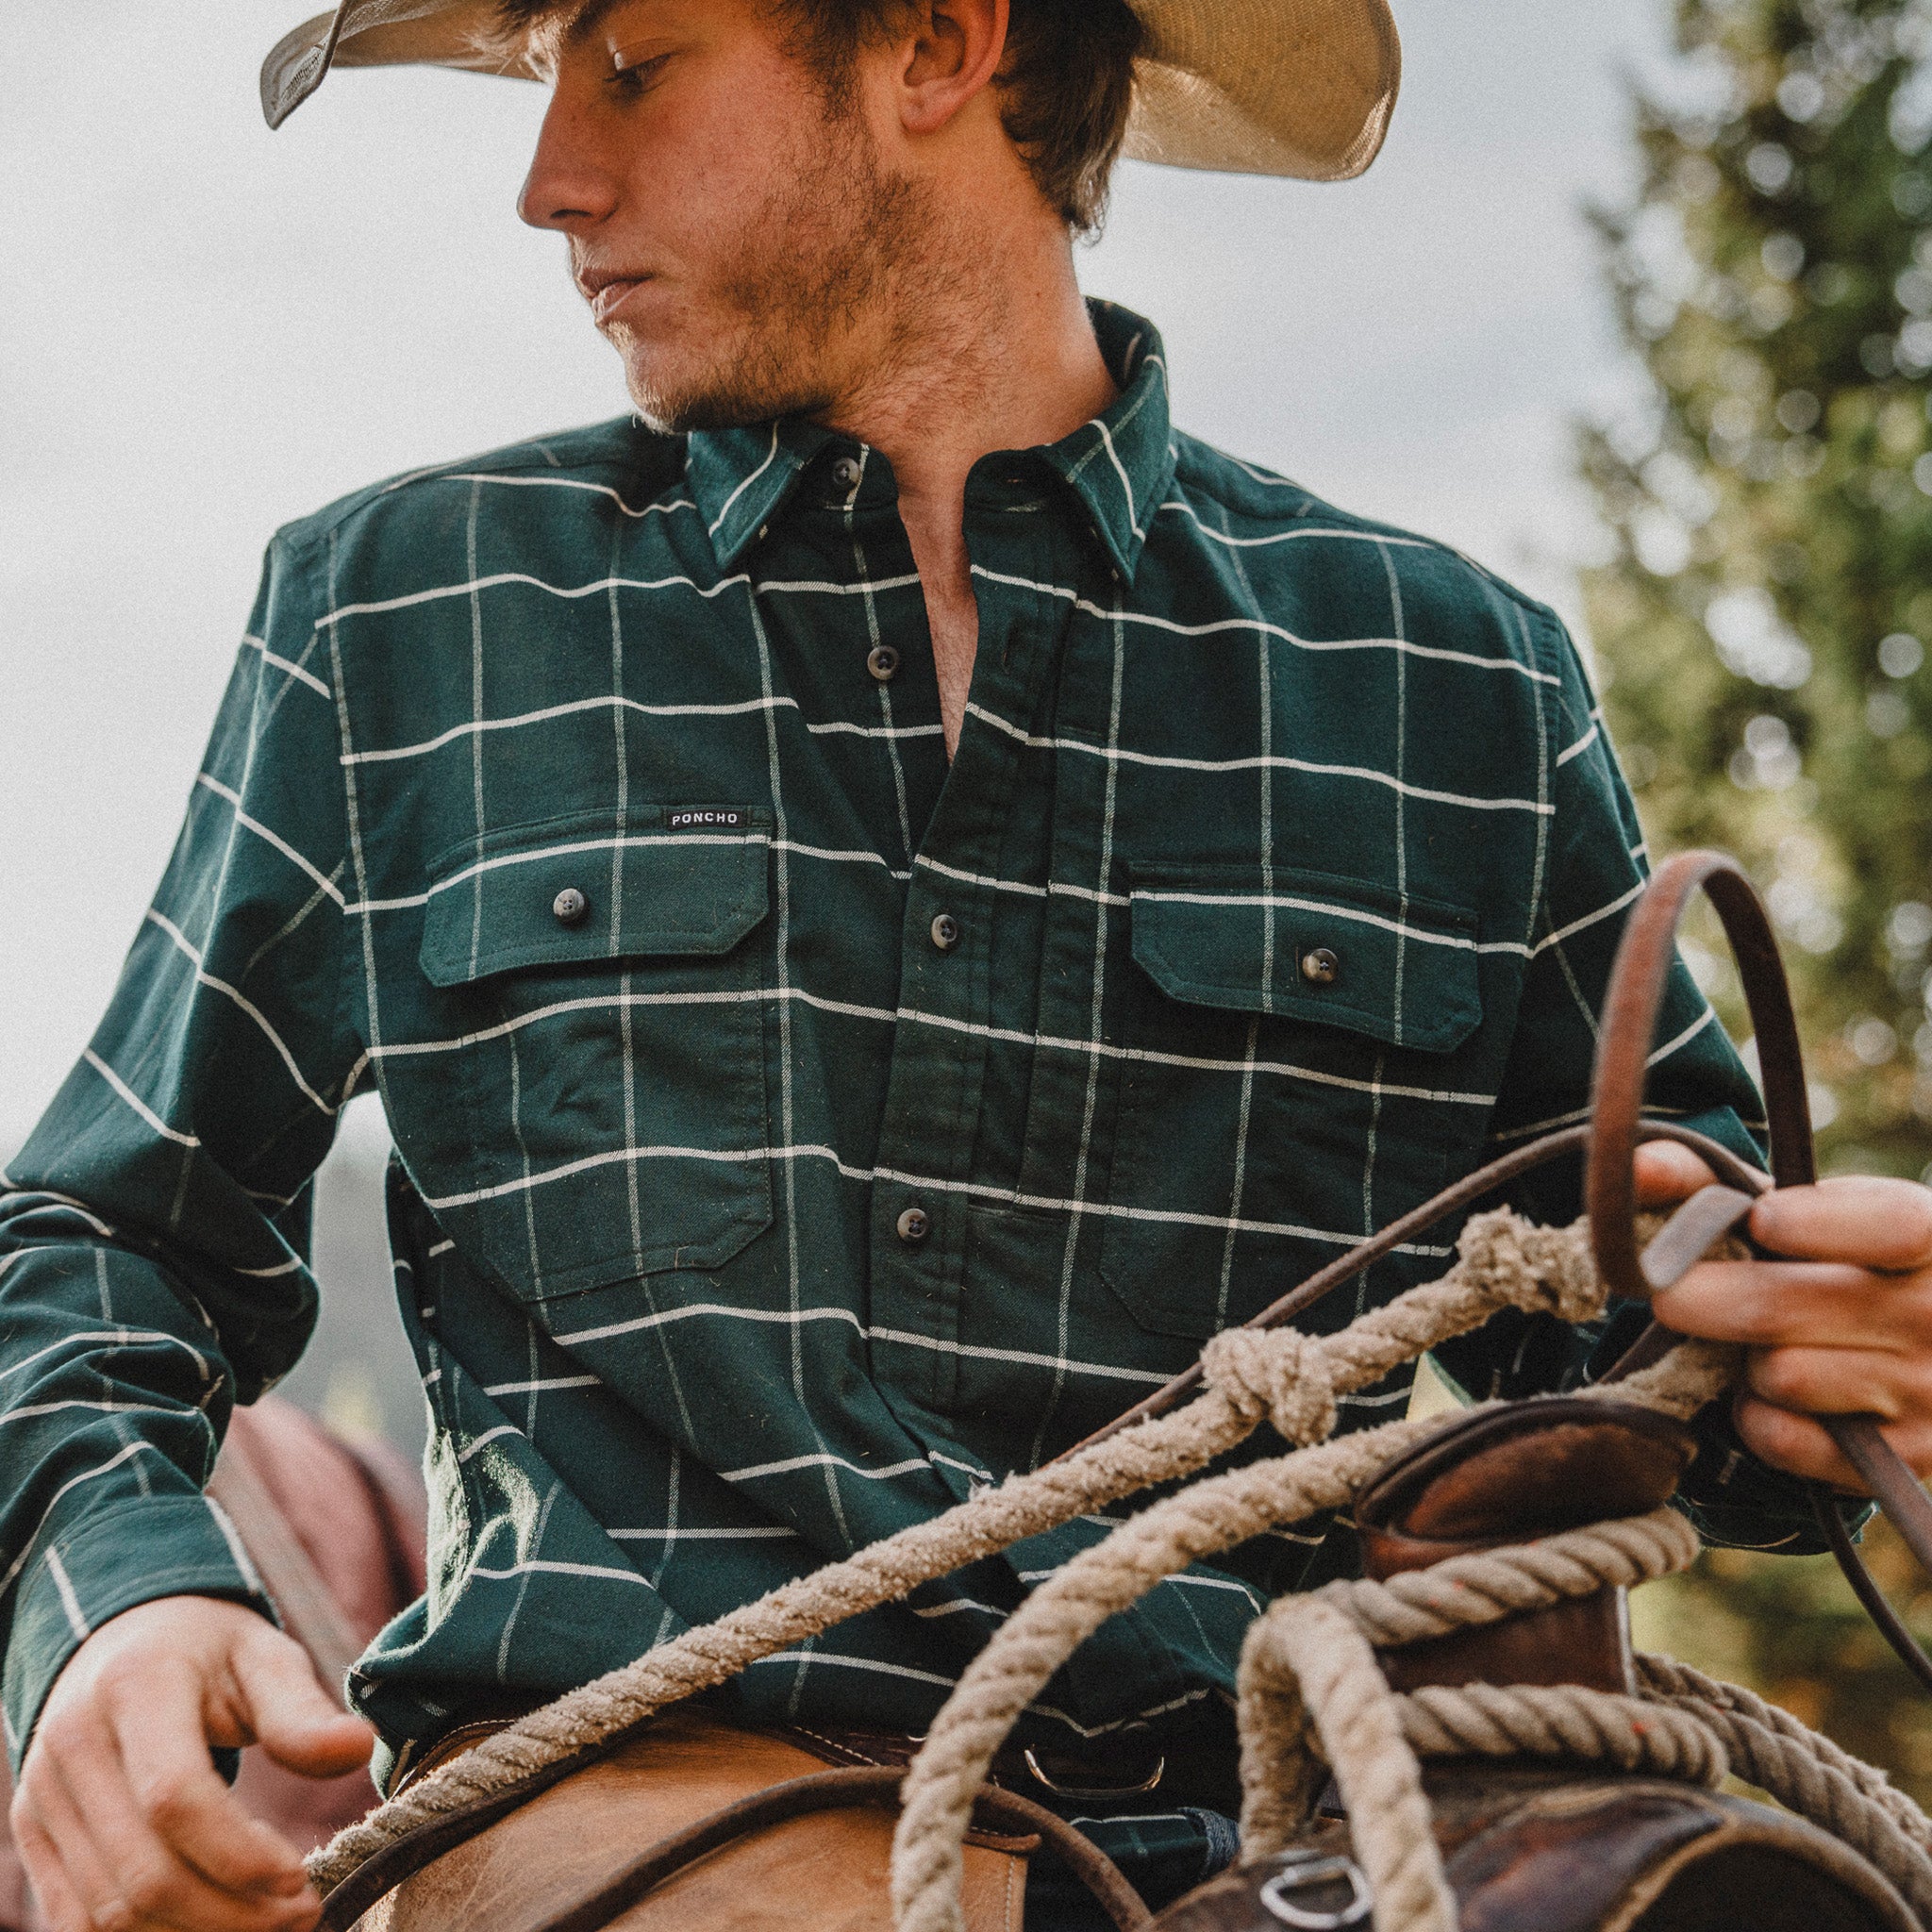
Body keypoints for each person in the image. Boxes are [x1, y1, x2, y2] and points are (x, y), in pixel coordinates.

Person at [6, 1, 1932, 1927]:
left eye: (634, 66)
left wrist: (1821, 1364)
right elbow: (100, 1245)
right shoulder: (408, 614)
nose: (549, 181)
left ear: (935, 46)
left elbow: (1648, 1343)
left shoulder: (1452, 683)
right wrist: (119, 1600)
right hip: (646, 1813)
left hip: (1307, 1814)